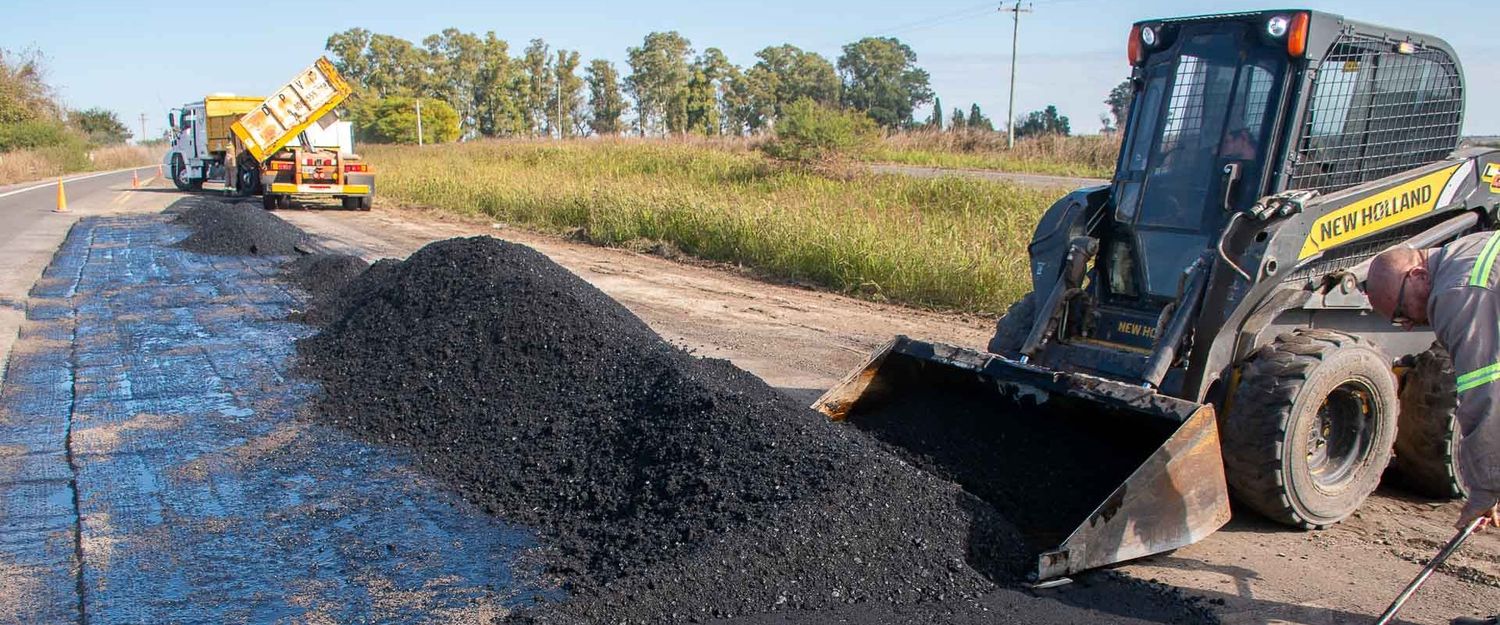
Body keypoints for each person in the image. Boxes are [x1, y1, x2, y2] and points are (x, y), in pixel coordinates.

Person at [1368, 237, 1500, 625]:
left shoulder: (1459, 291)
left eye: (1399, 311)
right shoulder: (1470, 253)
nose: (1406, 323)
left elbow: (1487, 391)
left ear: (1419, 275)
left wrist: (1487, 487)